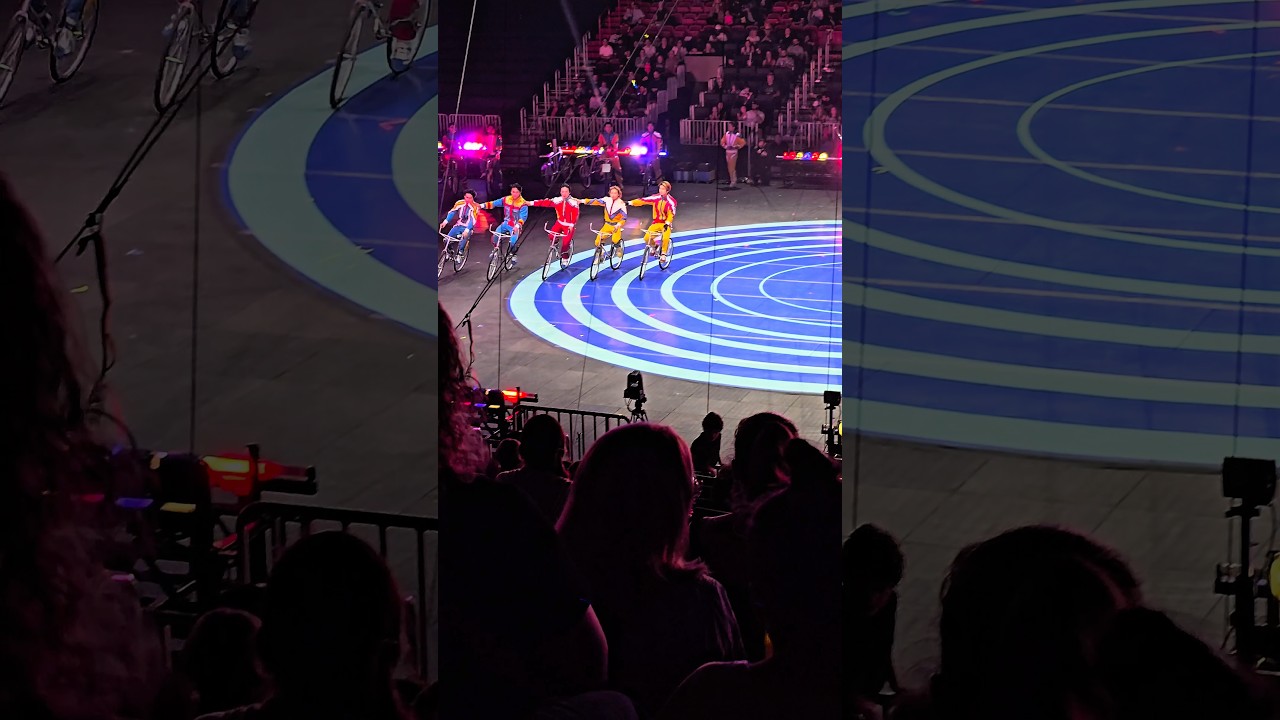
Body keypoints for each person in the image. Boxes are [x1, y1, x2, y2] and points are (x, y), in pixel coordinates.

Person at [843, 525, 904, 717]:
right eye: (862, 587)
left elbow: (883, 649)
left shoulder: (889, 603)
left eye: (879, 589)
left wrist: (897, 689)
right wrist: (857, 701)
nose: (871, 598)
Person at [529, 184, 582, 260]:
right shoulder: (557, 200)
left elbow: (575, 215)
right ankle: (556, 243)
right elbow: (544, 202)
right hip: (559, 223)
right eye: (562, 192)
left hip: (569, 225)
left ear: (569, 192)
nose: (564, 193)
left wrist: (572, 225)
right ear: (560, 192)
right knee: (551, 236)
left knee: (565, 244)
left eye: (566, 192)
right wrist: (530, 203)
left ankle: (565, 258)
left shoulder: (573, 202)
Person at [629, 180, 676, 264]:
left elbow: (671, 214)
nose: (660, 190)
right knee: (647, 238)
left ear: (667, 190)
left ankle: (664, 254)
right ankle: (654, 246)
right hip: (656, 222)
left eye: (663, 189)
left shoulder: (671, 202)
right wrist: (631, 202)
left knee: (665, 238)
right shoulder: (656, 198)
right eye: (660, 188)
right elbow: (643, 200)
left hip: (665, 224)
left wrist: (667, 223)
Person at [479, 183, 529, 264]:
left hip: (515, 226)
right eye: (513, 192)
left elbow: (523, 217)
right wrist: (481, 205)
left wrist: (517, 225)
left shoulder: (523, 204)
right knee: (495, 237)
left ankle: (513, 254)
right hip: (505, 223)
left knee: (513, 242)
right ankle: (495, 250)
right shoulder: (506, 199)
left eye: (516, 192)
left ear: (520, 192)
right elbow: (494, 204)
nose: (514, 194)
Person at [582, 185, 628, 259]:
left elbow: (624, 217)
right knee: (598, 241)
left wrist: (619, 224)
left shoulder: (621, 204)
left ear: (618, 194)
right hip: (607, 225)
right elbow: (595, 201)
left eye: (615, 193)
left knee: (615, 240)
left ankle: (618, 248)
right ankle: (601, 254)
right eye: (611, 193)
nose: (613, 195)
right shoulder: (607, 200)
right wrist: (583, 201)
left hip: (616, 226)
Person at [440, 189, 485, 255]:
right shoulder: (459, 203)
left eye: (470, 198)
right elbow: (452, 212)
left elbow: (472, 220)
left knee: (464, 238)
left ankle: (460, 253)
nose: (468, 200)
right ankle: (450, 251)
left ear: (473, 198)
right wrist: (445, 221)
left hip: (468, 227)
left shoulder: (475, 207)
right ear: (464, 197)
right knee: (446, 240)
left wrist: (467, 230)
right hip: (459, 224)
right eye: (466, 197)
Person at [597, 122, 624, 188]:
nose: (608, 128)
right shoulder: (602, 135)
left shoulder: (615, 135)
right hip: (605, 152)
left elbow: (615, 144)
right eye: (607, 127)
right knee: (601, 159)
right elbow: (600, 144)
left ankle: (620, 183)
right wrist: (597, 148)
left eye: (609, 127)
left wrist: (612, 148)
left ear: (611, 128)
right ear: (604, 128)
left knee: (617, 168)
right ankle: (602, 171)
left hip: (613, 153)